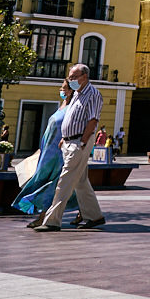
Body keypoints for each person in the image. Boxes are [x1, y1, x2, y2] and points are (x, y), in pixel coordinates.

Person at [35, 64, 105, 232]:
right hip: (68, 142)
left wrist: (83, 141)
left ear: (84, 77)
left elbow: (93, 120)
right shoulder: (77, 94)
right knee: (81, 182)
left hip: (79, 143)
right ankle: (94, 216)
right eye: (70, 77)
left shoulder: (93, 95)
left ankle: (52, 220)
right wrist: (64, 139)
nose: (71, 80)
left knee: (64, 182)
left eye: (74, 77)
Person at [15, 84, 79, 224]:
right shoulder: (62, 106)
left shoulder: (73, 108)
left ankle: (43, 216)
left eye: (63, 88)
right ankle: (84, 210)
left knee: (51, 185)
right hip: (47, 153)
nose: (60, 90)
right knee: (52, 183)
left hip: (59, 154)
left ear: (70, 91)